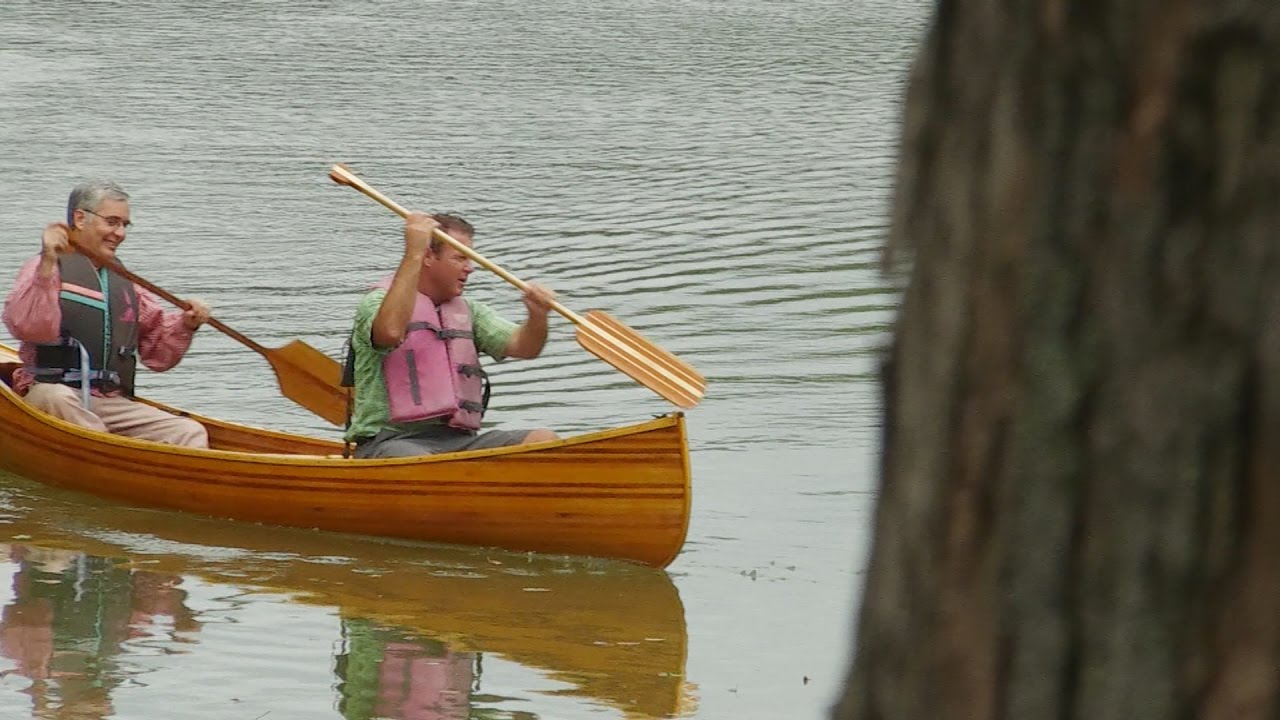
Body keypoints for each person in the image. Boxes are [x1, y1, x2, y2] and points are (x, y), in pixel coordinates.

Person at [2, 181, 211, 448]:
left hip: (107, 400)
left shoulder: (125, 284)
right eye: (112, 222)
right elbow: (29, 327)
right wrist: (47, 262)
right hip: (49, 390)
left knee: (188, 432)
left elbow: (158, 356)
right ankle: (106, 457)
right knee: (64, 403)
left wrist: (186, 324)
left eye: (125, 224)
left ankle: (170, 481)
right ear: (80, 218)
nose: (120, 233)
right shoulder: (46, 268)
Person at [345, 212, 559, 458]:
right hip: (389, 441)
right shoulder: (376, 303)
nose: (469, 269)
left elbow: (525, 347)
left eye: (470, 259)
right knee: (420, 462)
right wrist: (412, 252)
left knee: (544, 440)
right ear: (428, 256)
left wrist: (538, 317)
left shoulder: (469, 311)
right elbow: (390, 332)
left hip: (458, 441)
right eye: (459, 258)